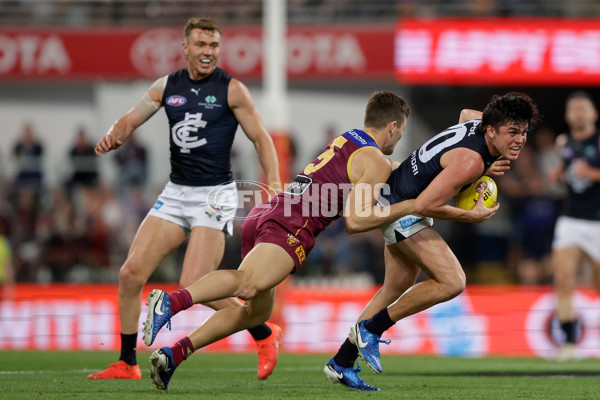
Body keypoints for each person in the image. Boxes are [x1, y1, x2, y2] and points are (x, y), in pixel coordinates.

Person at [142, 91, 489, 391]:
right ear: (393, 127)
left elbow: (391, 167)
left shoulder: (351, 140)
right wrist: (415, 204)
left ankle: (174, 355)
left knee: (254, 313)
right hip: (293, 226)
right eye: (399, 134)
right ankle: (171, 303)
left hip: (271, 212)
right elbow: (355, 221)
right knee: (247, 284)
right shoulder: (375, 161)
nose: (398, 141)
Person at [87, 17, 282, 381]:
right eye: (201, 46)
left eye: (213, 46)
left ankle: (263, 331)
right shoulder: (167, 86)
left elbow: (261, 138)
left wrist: (275, 185)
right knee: (130, 274)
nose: (208, 53)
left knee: (193, 281)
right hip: (176, 192)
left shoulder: (232, 89)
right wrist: (115, 135)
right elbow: (132, 117)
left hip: (215, 195)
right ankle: (126, 363)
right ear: (186, 48)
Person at [324, 92, 540, 391]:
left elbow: (465, 113)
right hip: (404, 206)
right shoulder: (471, 161)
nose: (519, 139)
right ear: (491, 130)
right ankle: (371, 329)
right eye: (512, 132)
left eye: (524, 132)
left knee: (395, 287)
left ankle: (342, 362)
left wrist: (485, 154)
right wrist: (472, 216)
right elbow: (425, 205)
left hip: (396, 190)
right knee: (453, 281)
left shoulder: (477, 125)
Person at [547, 91, 600, 361]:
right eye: (574, 109)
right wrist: (558, 176)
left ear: (594, 114)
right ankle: (568, 344)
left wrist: (591, 173)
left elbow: (586, 174)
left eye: (584, 108)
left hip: (598, 221)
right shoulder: (563, 143)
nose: (578, 112)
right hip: (570, 219)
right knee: (563, 280)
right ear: (568, 116)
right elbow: (568, 177)